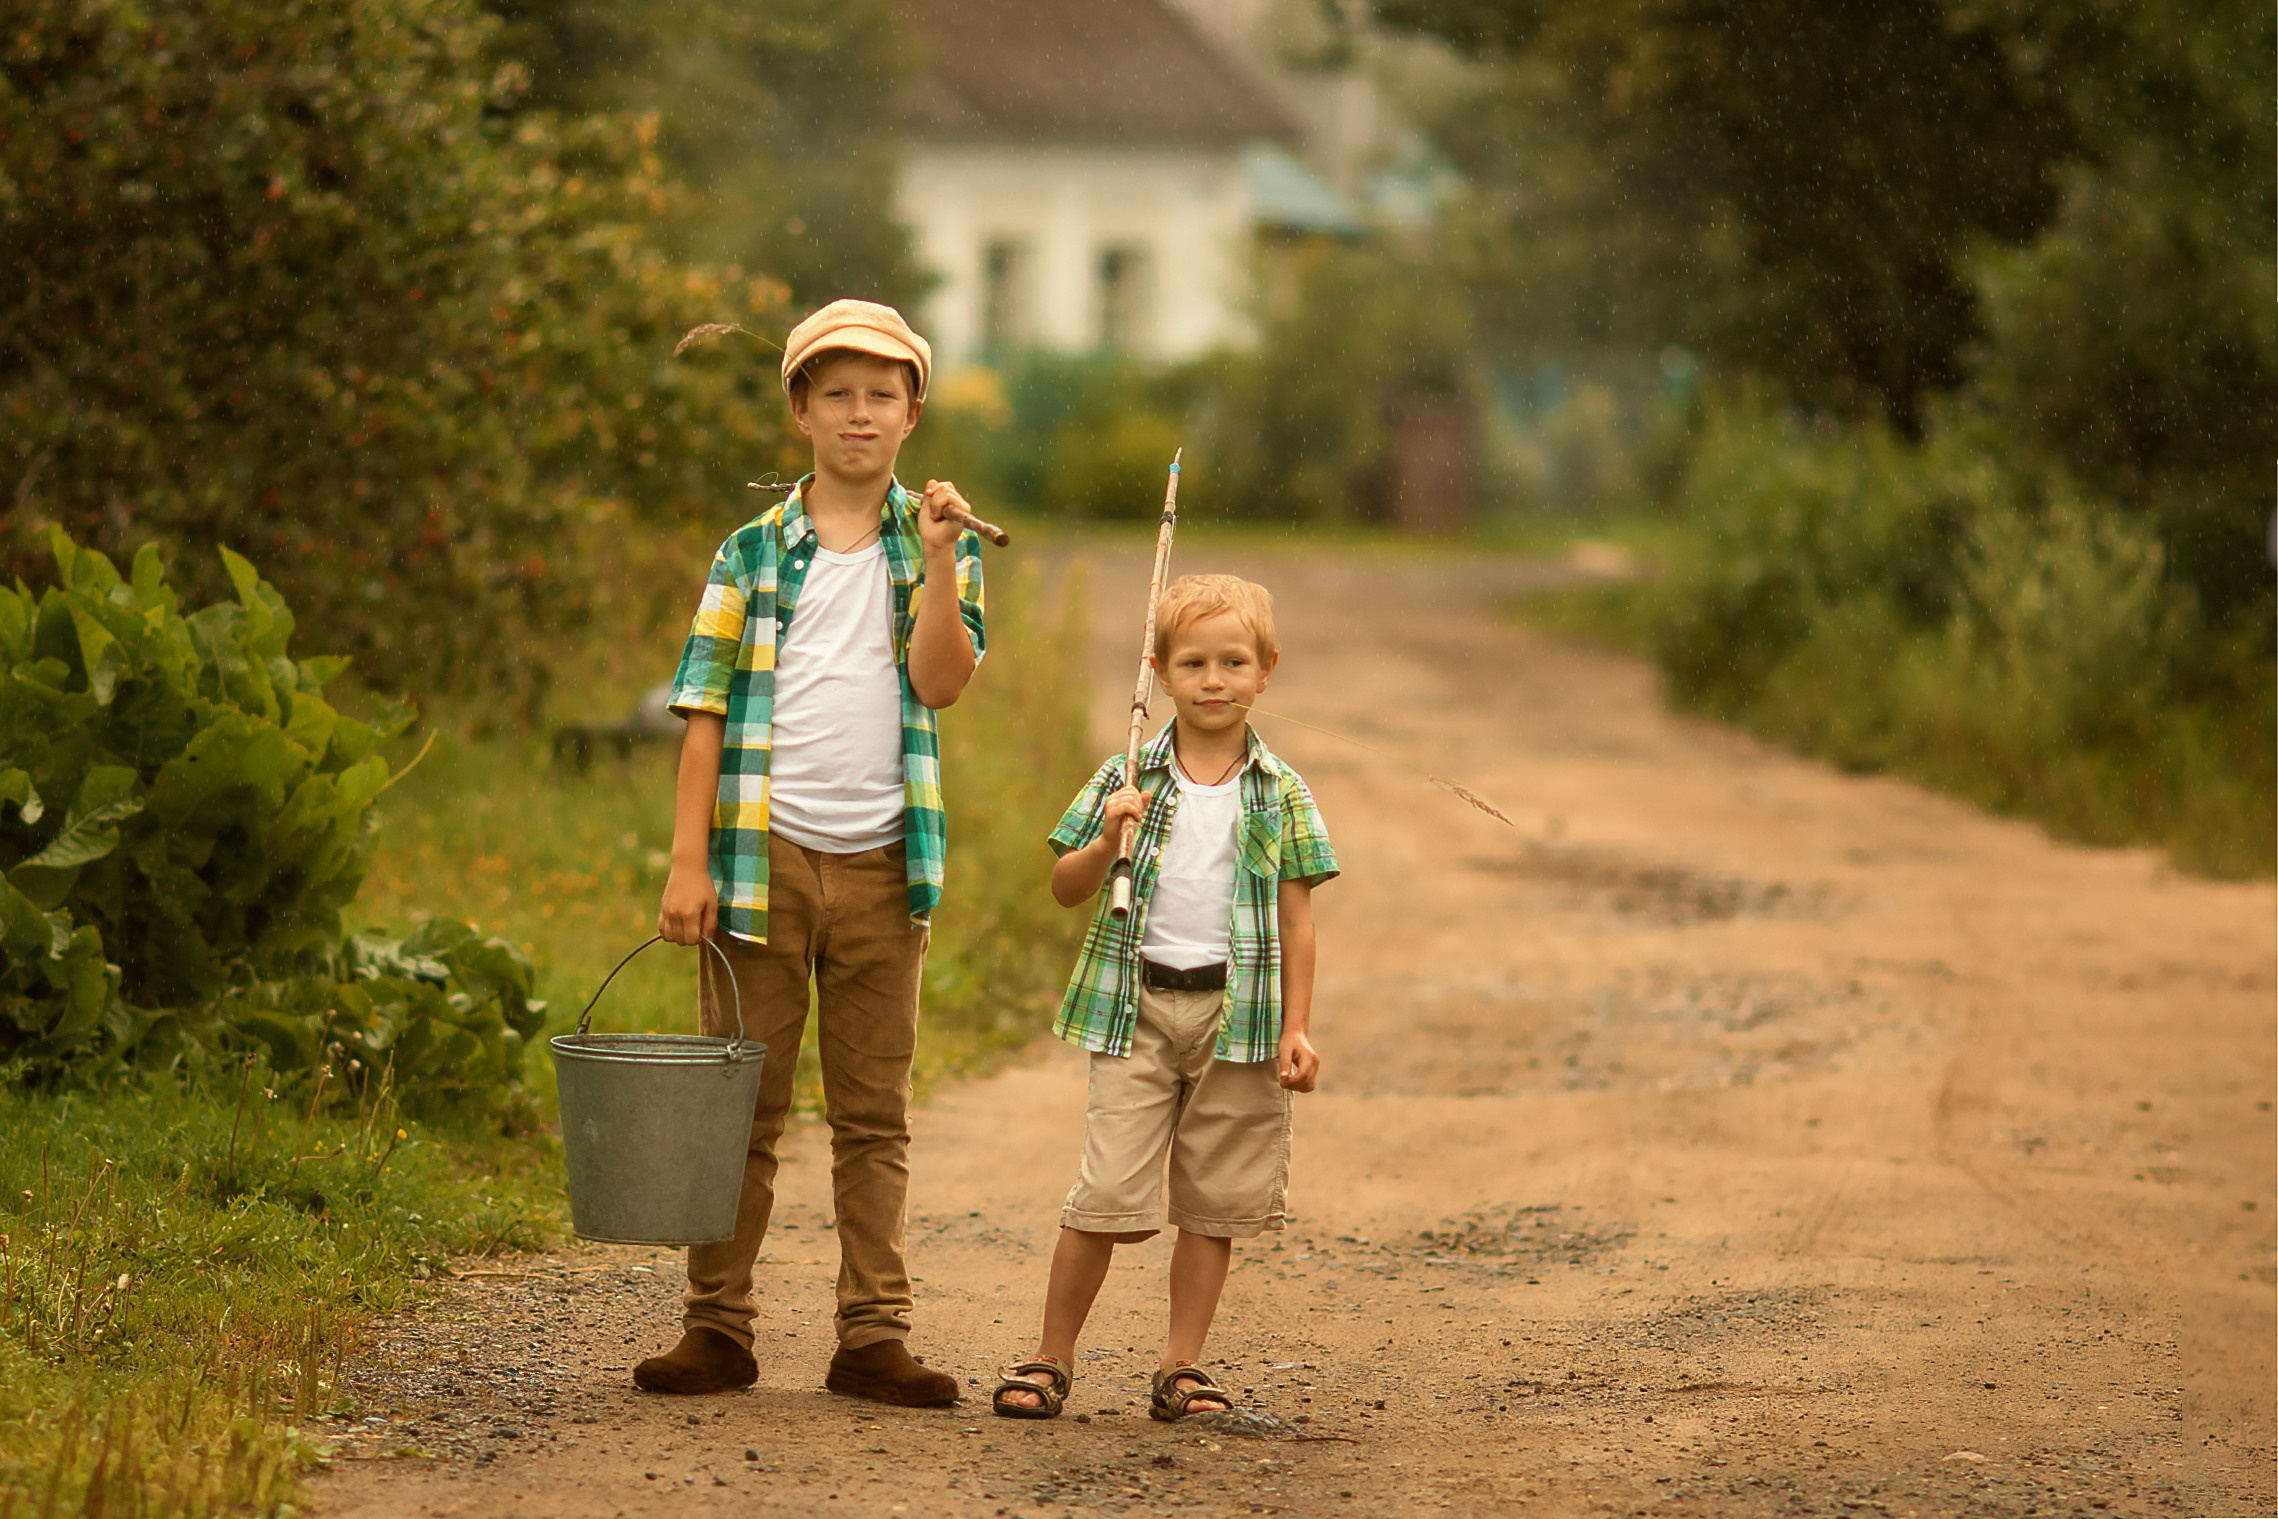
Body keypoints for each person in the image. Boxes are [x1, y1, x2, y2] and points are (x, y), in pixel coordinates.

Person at [638, 298, 985, 1406]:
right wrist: (687, 862)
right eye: (835, 392)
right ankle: (717, 1324)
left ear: (912, 413)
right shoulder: (748, 553)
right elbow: (704, 714)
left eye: (880, 394)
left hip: (886, 864)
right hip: (760, 862)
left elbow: (940, 681)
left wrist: (937, 565)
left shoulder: (939, 545)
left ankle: (872, 1334)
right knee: (740, 1101)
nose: (857, 413)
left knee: (873, 1114)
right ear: (798, 410)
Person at [992, 574, 1337, 1421]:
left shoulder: (1280, 790)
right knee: (1104, 1193)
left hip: (1241, 1021)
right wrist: (1109, 830)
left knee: (1213, 1201)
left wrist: (1297, 1027)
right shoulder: (1128, 773)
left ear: (1266, 671)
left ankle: (1182, 1365)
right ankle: (1051, 1355)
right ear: (1159, 671)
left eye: (1233, 662)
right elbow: (1066, 885)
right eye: (1193, 662)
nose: (1213, 680)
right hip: (1136, 1011)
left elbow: (1297, 921)